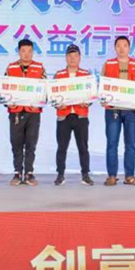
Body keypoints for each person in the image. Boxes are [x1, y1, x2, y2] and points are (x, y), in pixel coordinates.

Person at [101, 35, 135, 186]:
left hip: (131, 111)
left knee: (130, 145)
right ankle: (112, 176)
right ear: (115, 48)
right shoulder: (108, 64)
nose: (121, 49)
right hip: (113, 110)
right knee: (112, 144)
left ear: (129, 48)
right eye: (118, 46)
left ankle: (129, 176)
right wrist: (103, 98)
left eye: (124, 45)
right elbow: (102, 85)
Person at [5, 39, 46, 186]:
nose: (27, 54)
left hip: (33, 112)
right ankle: (17, 173)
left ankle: (29, 173)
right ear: (19, 52)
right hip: (16, 111)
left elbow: (45, 90)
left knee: (31, 143)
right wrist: (8, 101)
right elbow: (4, 89)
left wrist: (40, 102)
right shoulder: (11, 68)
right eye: (23, 51)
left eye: (29, 51)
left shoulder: (39, 68)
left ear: (33, 52)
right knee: (16, 144)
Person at [53, 44, 94, 186]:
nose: (72, 58)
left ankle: (85, 175)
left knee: (83, 147)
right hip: (63, 115)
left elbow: (92, 95)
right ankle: (60, 175)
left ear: (80, 58)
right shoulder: (58, 75)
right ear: (66, 58)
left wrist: (87, 102)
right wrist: (57, 104)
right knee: (61, 147)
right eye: (70, 56)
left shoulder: (86, 75)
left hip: (80, 115)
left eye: (75, 55)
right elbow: (52, 95)